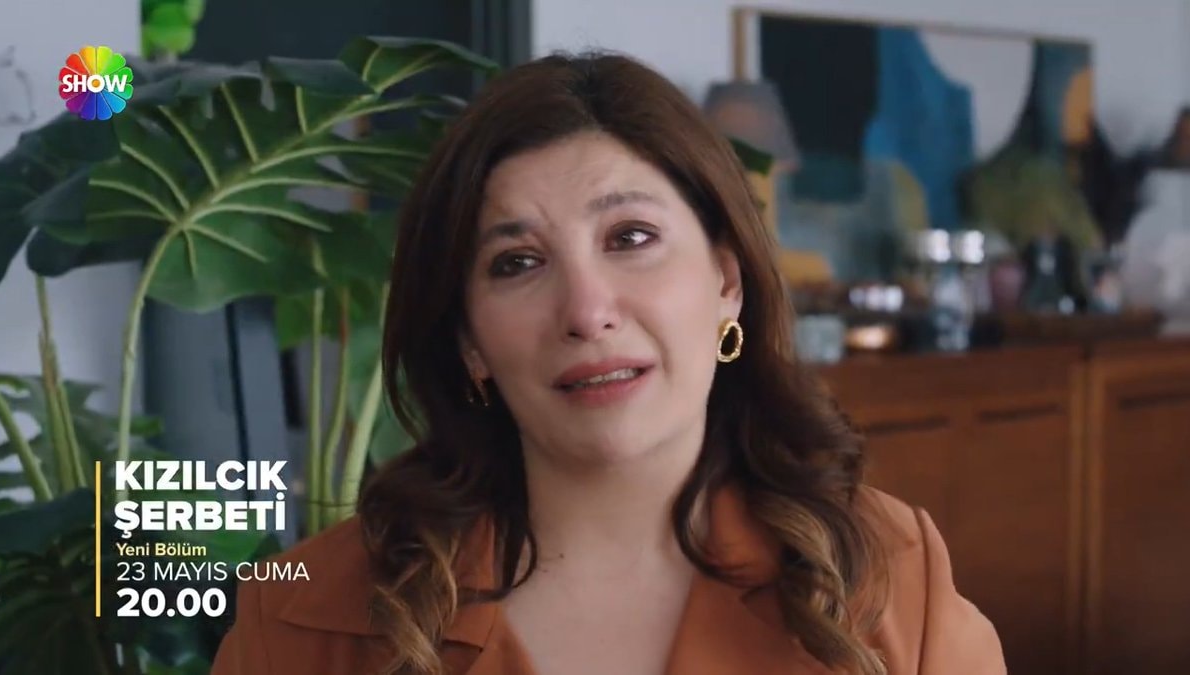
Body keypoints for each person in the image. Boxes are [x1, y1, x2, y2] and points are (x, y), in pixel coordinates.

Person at [210, 51, 1006, 675]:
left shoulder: (886, 574)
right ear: (469, 340)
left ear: (726, 283)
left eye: (630, 238)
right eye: (518, 262)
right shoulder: (303, 616)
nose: (587, 310)